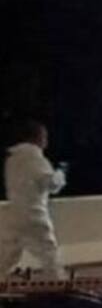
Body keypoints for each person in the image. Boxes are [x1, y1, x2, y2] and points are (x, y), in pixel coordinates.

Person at [2, 120, 68, 281]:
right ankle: (59, 283)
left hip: (15, 213)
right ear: (37, 138)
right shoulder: (36, 159)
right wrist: (60, 175)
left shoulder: (12, 159)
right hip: (34, 213)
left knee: (8, 253)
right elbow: (50, 184)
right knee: (48, 251)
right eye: (44, 137)